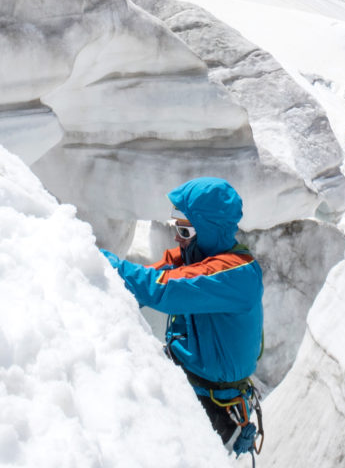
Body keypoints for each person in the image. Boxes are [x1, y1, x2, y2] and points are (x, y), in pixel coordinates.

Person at [102, 178, 265, 450]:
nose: (177, 237)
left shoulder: (236, 276)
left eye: (184, 230)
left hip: (213, 410)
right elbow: (150, 278)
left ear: (208, 231)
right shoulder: (195, 255)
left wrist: (94, 257)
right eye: (176, 226)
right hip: (190, 384)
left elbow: (162, 288)